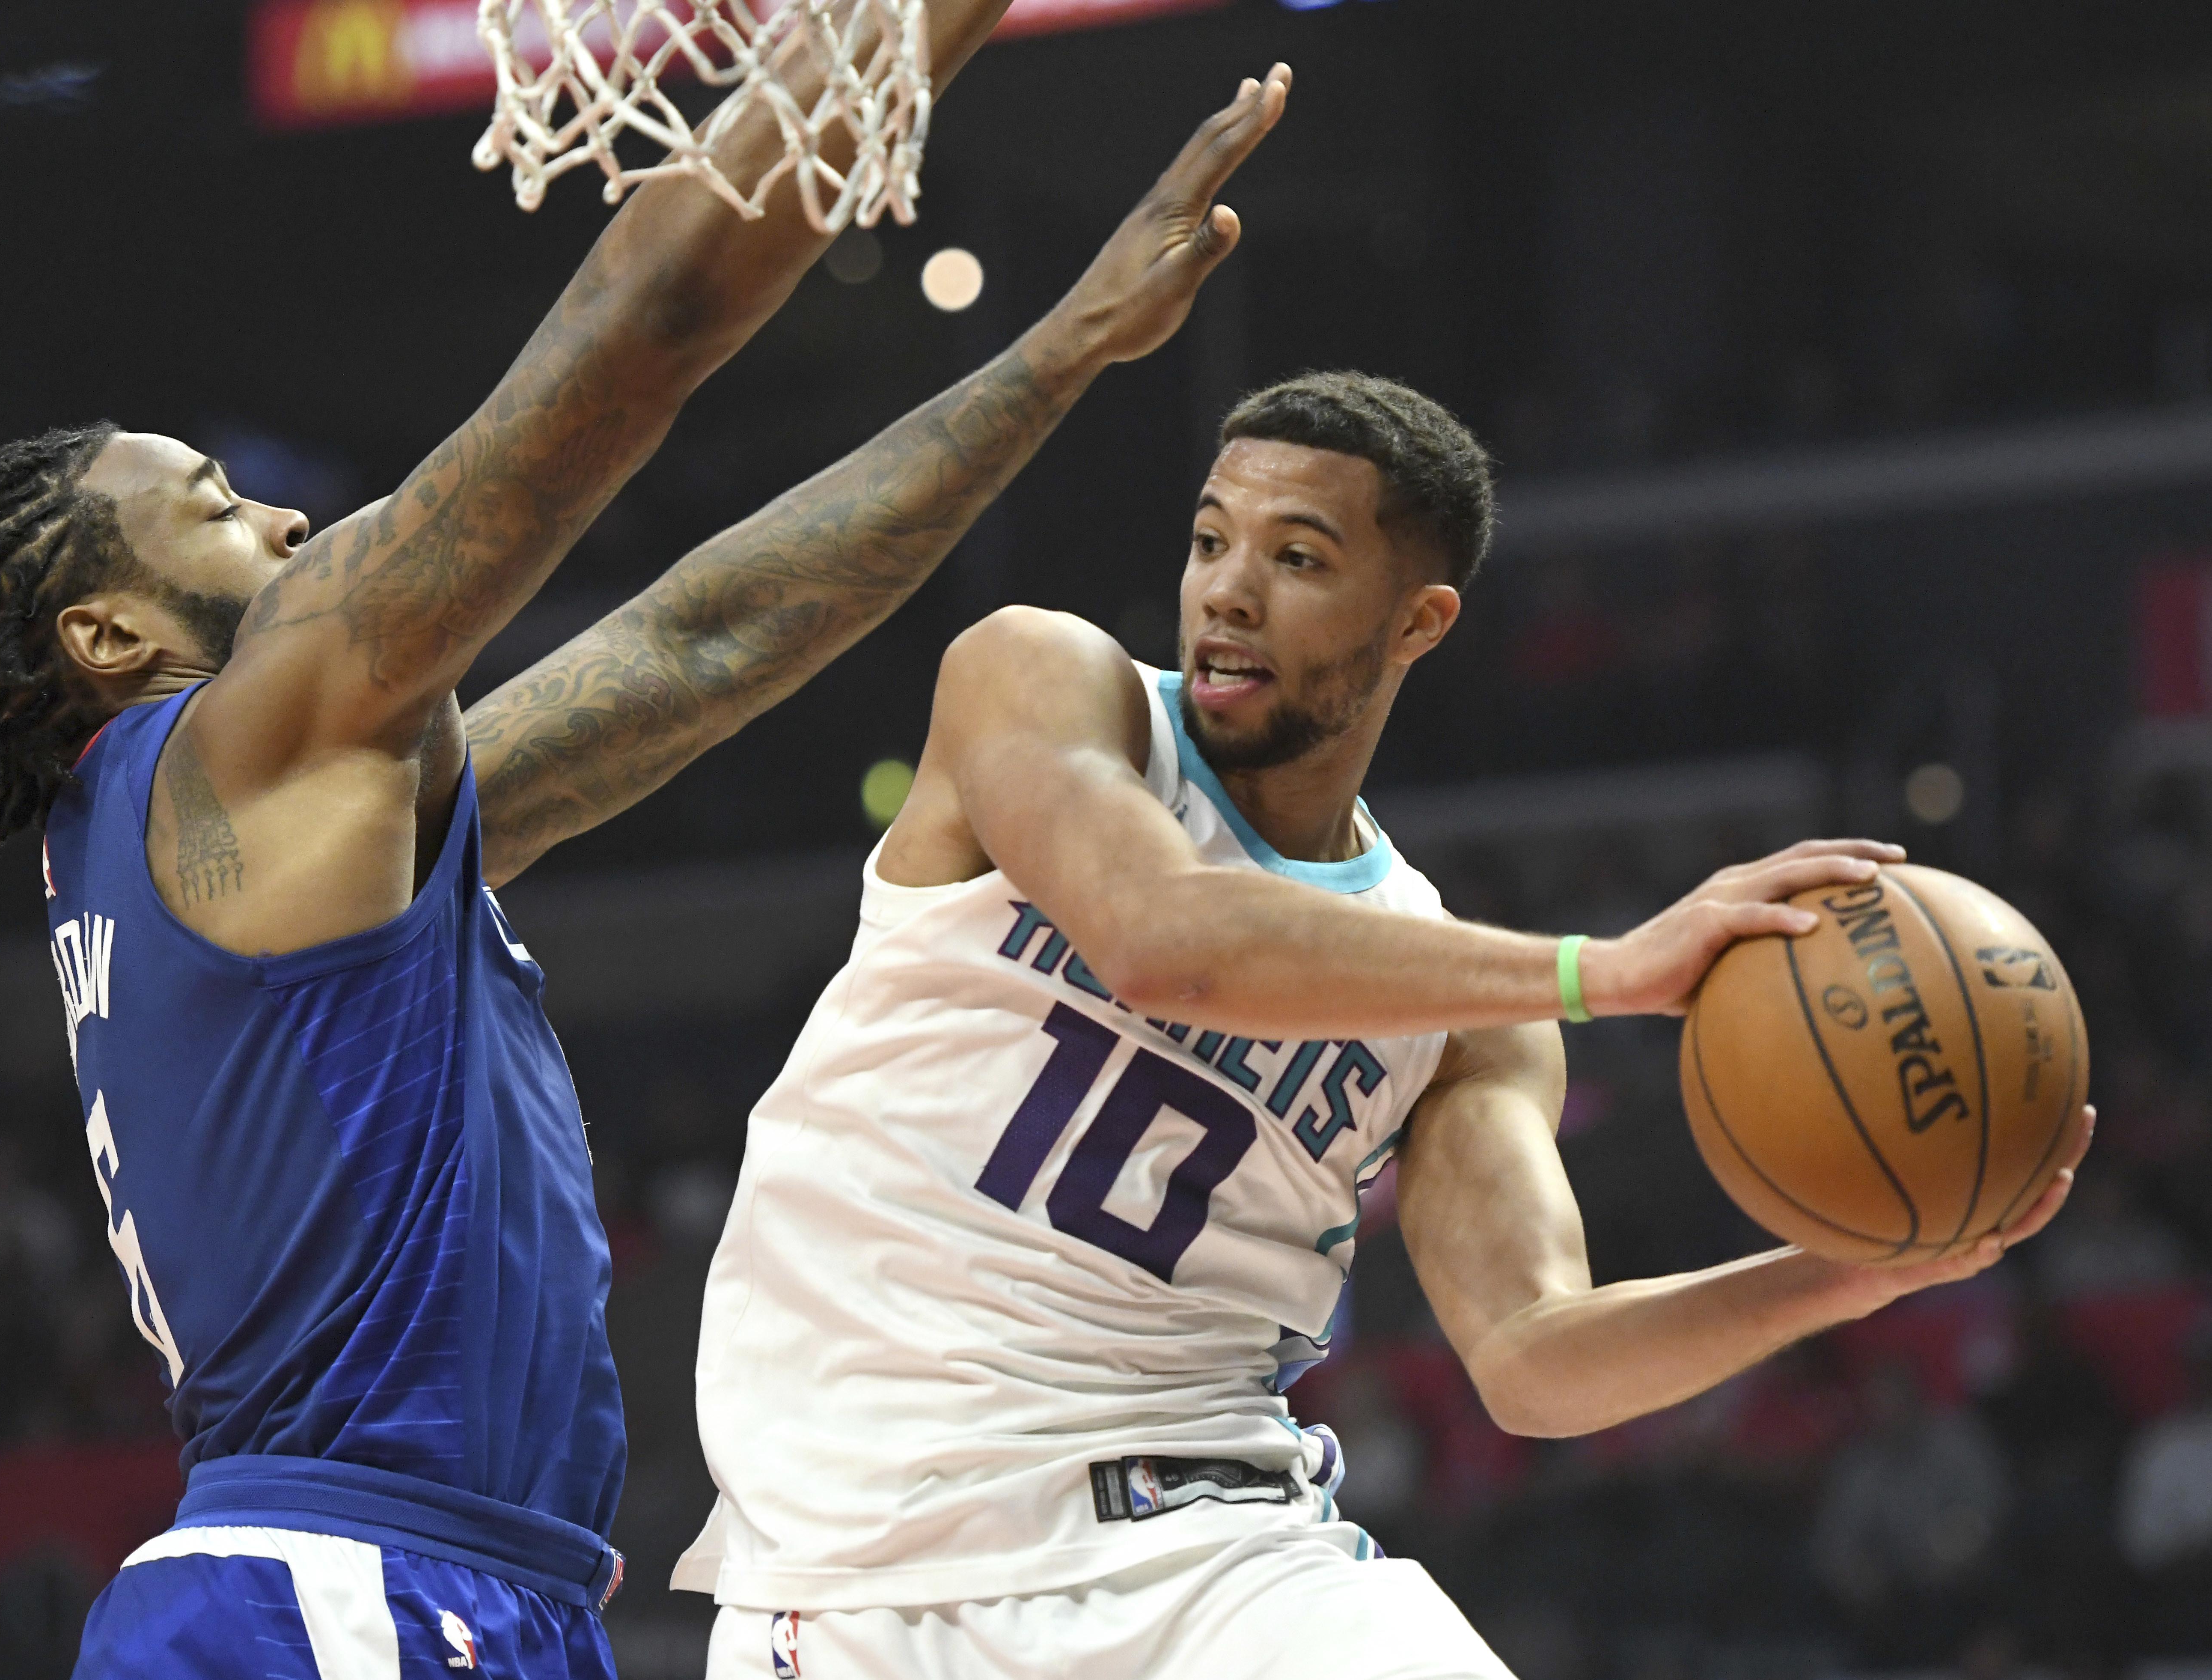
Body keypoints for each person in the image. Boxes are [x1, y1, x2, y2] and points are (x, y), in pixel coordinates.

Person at [0, 20, 1299, 1674]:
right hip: (352, 1591)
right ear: (107, 633)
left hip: (426, 1586)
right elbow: (637, 331)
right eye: (213, 503)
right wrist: (903, 36)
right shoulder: (249, 742)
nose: (288, 523)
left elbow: (707, 642)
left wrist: (1064, 351)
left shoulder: (262, 830)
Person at [675, 368, 2098, 1677]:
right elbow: (1165, 940)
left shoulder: (1458, 1006)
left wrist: (1847, 1270)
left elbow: (1536, 1358)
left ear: (1418, 620)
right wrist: (1604, 969)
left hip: (1216, 1556)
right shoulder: (1045, 684)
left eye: (1298, 559)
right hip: (879, 1577)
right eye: (1212, 540)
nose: (1229, 591)